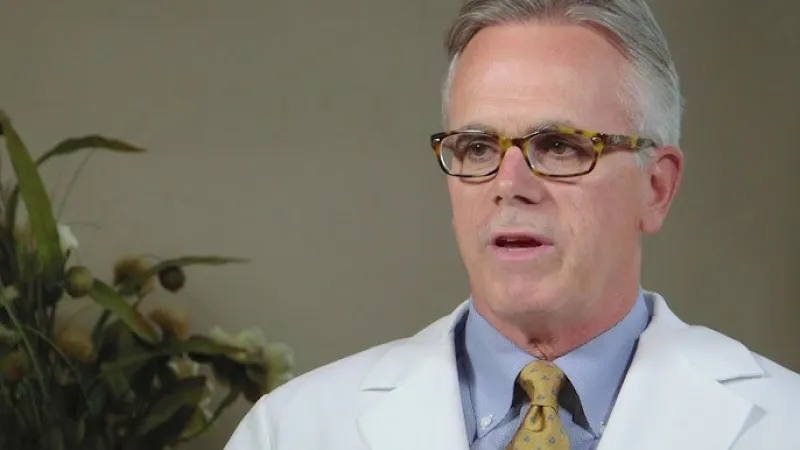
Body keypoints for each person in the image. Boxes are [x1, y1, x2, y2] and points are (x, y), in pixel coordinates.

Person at [223, 0, 800, 449]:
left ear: (657, 187)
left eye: (560, 146)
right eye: (476, 147)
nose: (510, 182)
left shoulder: (785, 424)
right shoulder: (293, 430)